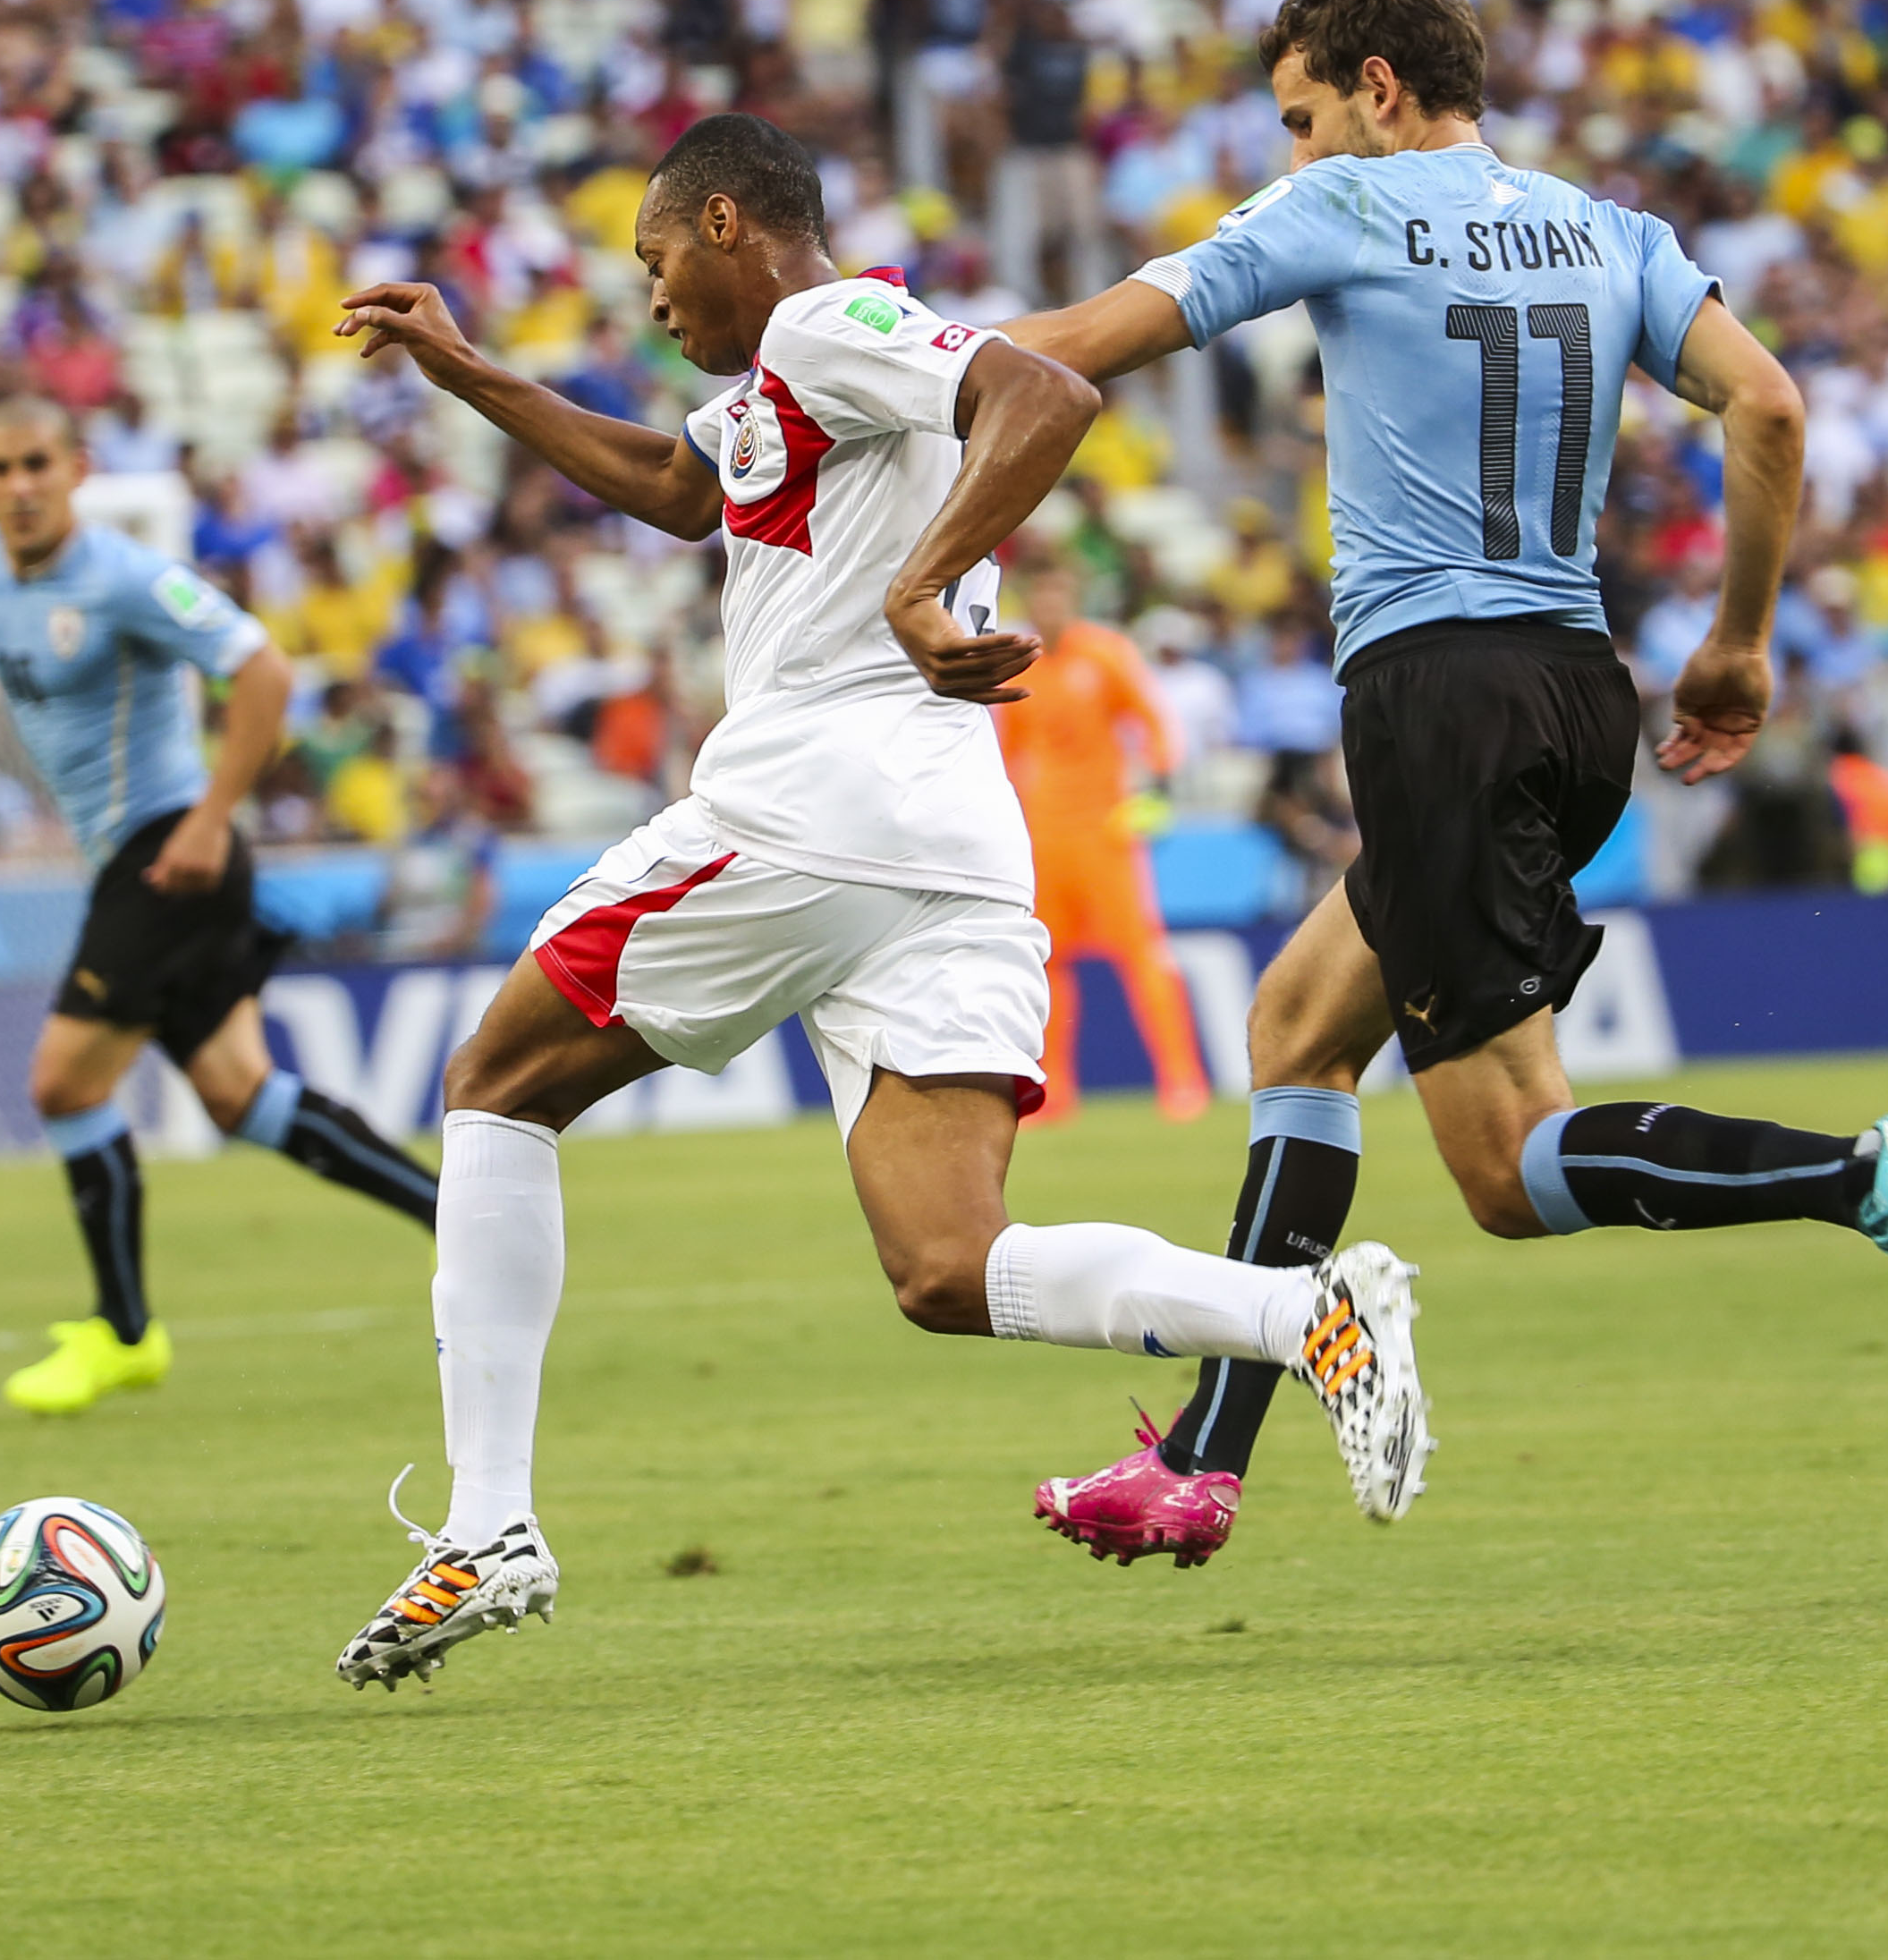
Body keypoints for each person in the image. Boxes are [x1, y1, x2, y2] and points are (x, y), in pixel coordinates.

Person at [320, 114, 1434, 1691]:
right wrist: (471, 370)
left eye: (652, 263)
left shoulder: (823, 321)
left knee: (496, 1085)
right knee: (944, 1263)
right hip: (948, 838)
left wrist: (919, 586)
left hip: (811, 801)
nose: (651, 302)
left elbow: (1044, 392)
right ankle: (1301, 1313)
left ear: (723, 221)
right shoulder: (787, 383)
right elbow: (666, 481)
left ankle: (488, 1521)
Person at [1001, 0, 1888, 1570]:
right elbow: (1767, 409)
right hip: (1574, 684)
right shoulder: (1613, 234)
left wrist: (872, 367)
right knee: (1296, 1026)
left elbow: (1088, 340)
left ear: (1376, 94)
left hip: (1437, 700)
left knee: (1509, 1164)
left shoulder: (1341, 208)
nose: (1289, 152)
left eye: (1300, 115)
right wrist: (1739, 642)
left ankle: (1861, 1174)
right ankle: (1205, 1451)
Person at [0, 397, 439, 1417]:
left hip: (171, 854)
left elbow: (262, 668)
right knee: (238, 1095)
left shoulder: (124, 577)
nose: (21, 484)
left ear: (77, 467)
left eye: (38, 461)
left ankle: (125, 1332)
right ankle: (462, 1220)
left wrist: (214, 816)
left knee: (62, 1085)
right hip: (137, 863)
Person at [992, 547, 1210, 1122]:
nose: (1049, 605)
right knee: (1046, 964)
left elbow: (1158, 728)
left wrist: (1155, 789)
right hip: (1043, 837)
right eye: (1040, 594)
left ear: (1073, 598)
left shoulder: (1105, 655)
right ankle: (1054, 1090)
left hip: (1105, 833)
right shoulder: (1016, 663)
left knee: (1141, 957)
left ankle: (1182, 1081)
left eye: (1059, 593)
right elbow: (1006, 754)